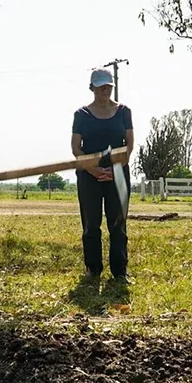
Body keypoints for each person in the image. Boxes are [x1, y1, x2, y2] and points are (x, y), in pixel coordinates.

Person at [71, 68, 134, 282]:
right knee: (91, 223)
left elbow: (129, 146)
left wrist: (114, 169)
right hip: (89, 174)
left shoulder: (124, 111)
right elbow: (76, 148)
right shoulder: (81, 114)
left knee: (118, 222)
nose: (105, 90)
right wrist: (92, 168)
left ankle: (120, 272)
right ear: (92, 88)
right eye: (100, 87)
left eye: (108, 86)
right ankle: (92, 269)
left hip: (118, 173)